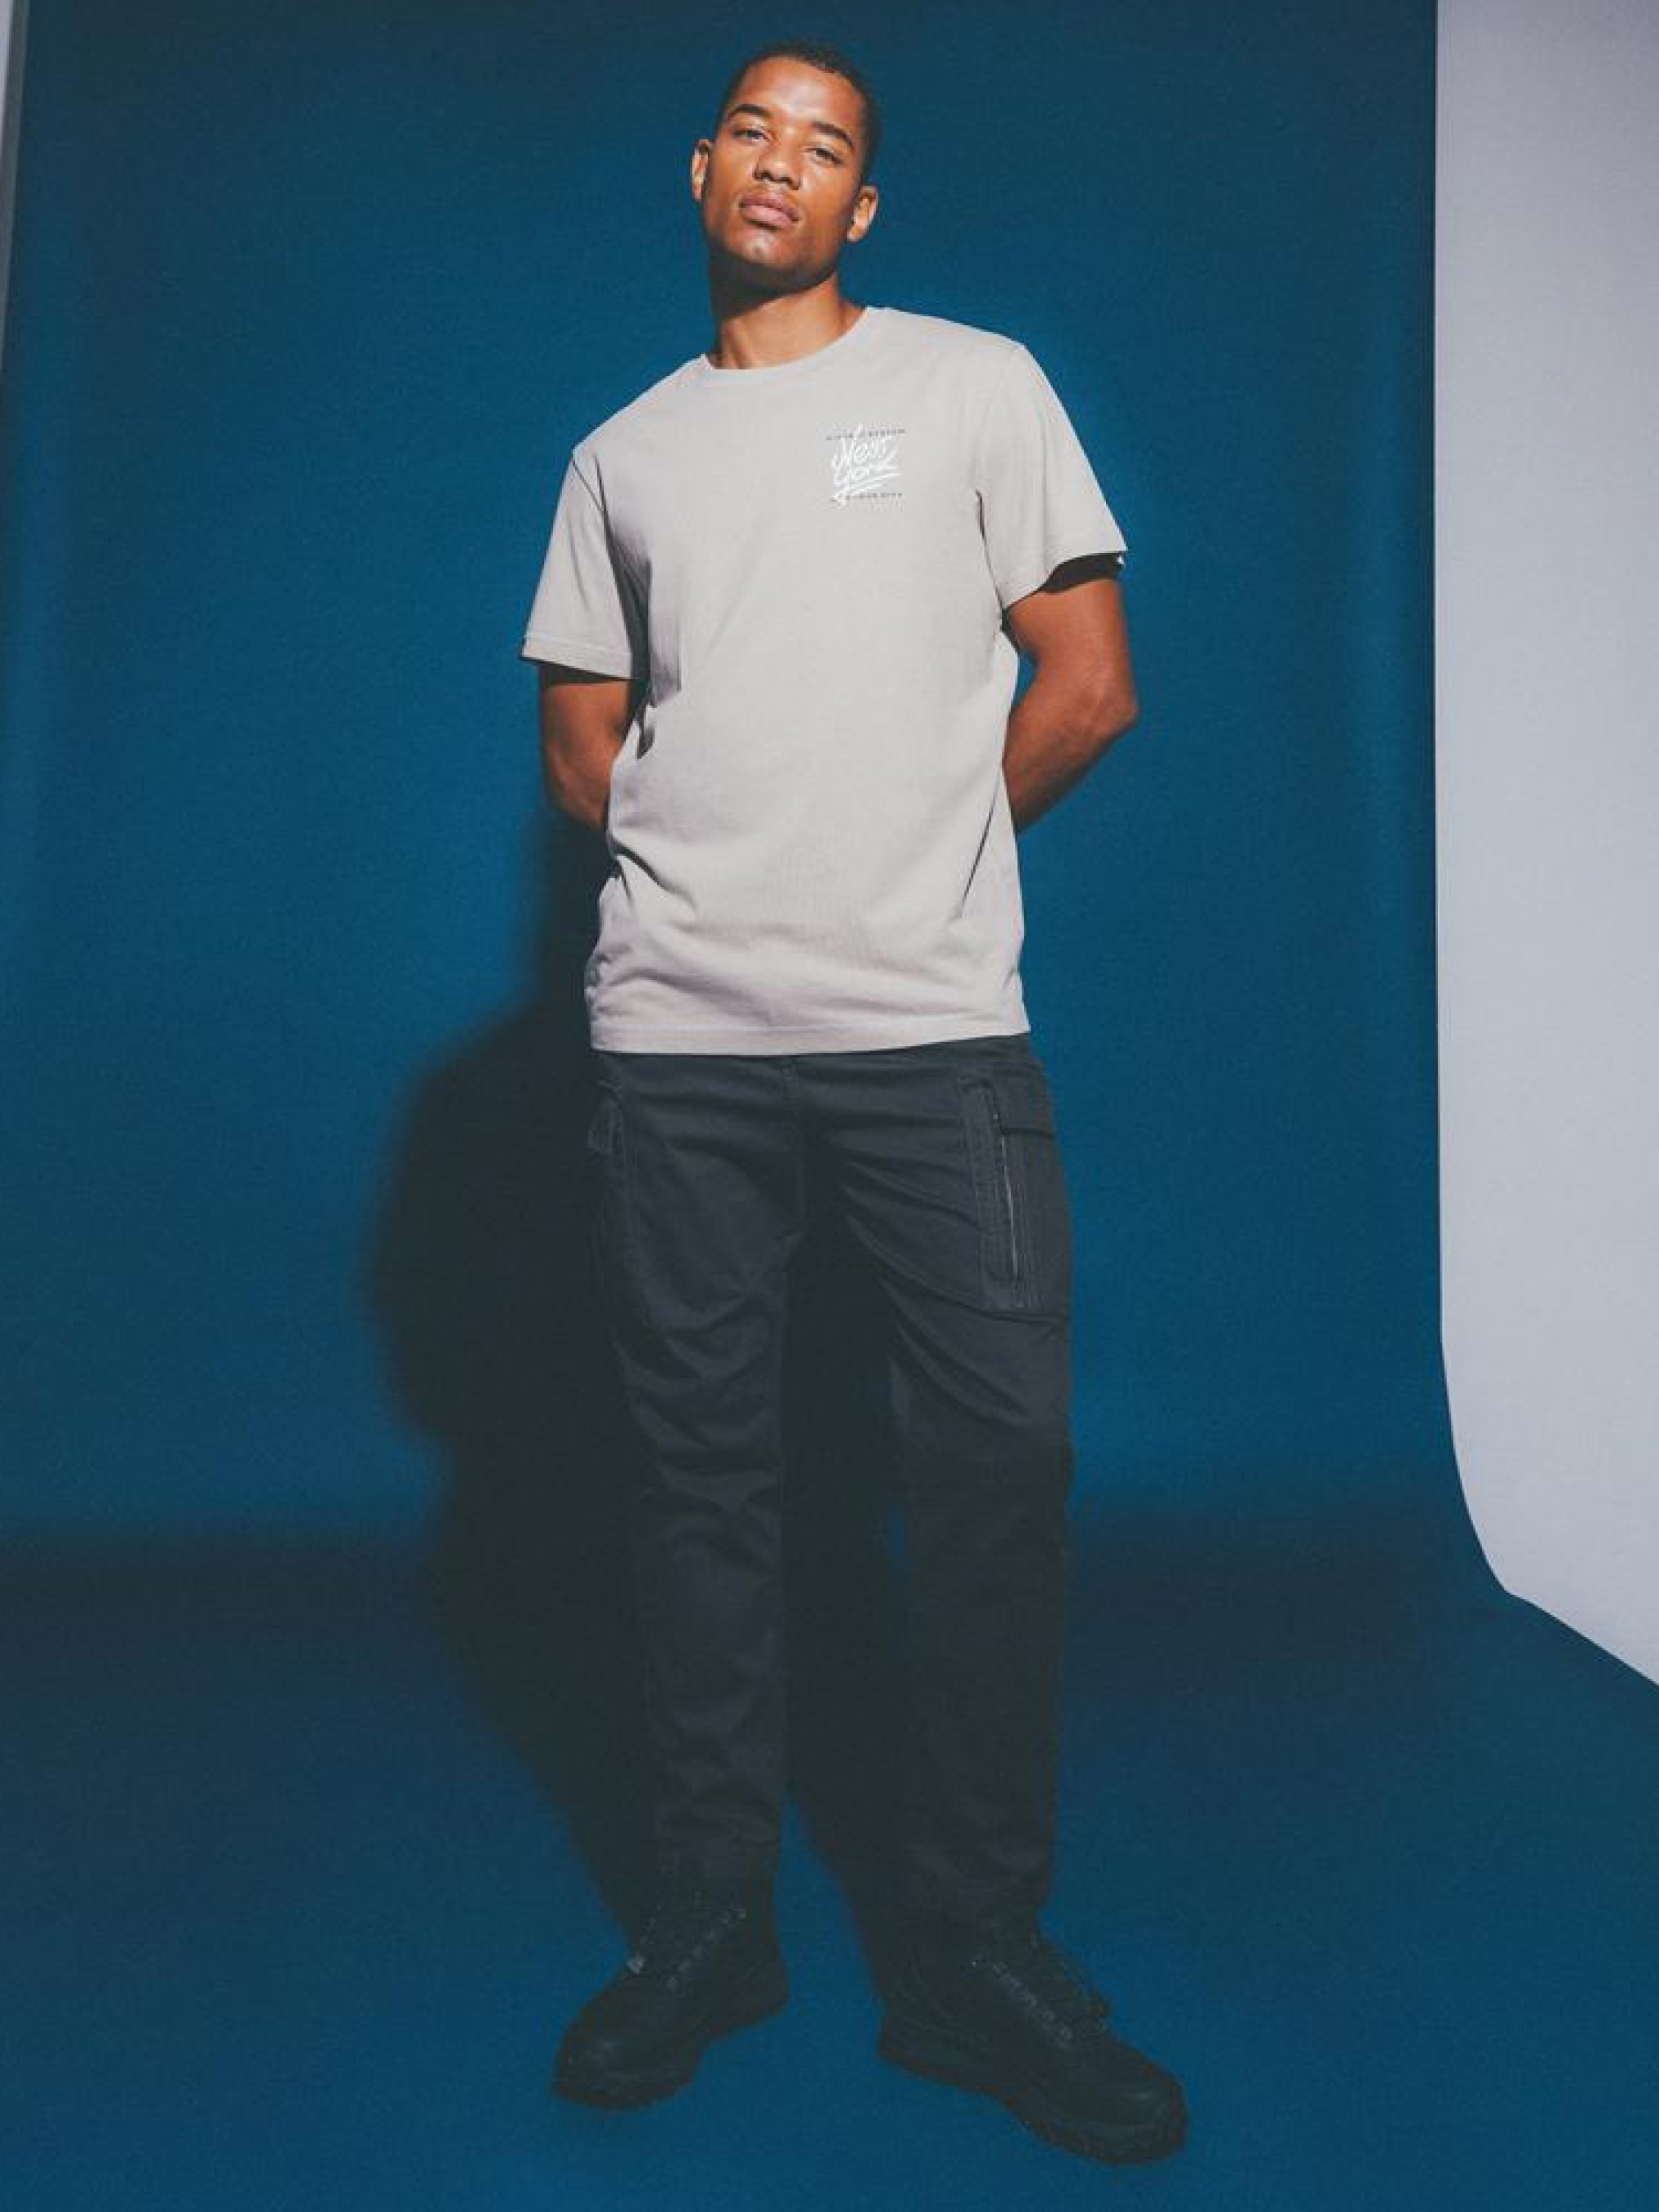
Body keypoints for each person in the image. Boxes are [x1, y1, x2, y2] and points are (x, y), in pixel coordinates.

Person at [519, 38, 1187, 2168]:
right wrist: (727, 870)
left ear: (860, 206)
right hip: (680, 1047)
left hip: (932, 1037)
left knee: (998, 1462)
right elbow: (583, 744)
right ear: (700, 169)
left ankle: (972, 1956)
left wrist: (910, 855)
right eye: (754, 131)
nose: (781, 166)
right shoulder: (620, 454)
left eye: (824, 148)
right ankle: (712, 1918)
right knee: (698, 1478)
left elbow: (1090, 683)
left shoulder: (974, 389)